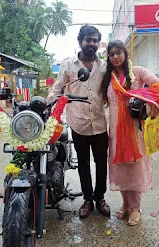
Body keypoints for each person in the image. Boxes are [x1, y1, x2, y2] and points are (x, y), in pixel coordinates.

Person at [101, 40, 159, 226]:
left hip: (135, 132)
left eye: (119, 52)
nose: (116, 57)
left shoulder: (138, 72)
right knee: (120, 170)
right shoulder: (107, 78)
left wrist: (150, 101)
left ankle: (136, 208)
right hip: (116, 134)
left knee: (134, 170)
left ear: (126, 54)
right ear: (108, 57)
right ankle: (126, 204)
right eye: (112, 54)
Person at [47, 25, 110, 218]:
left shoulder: (104, 66)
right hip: (79, 123)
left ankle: (100, 198)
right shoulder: (68, 65)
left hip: (100, 123)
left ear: (98, 43)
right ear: (80, 41)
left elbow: (113, 90)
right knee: (83, 164)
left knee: (101, 163)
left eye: (95, 40)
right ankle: (88, 200)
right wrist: (45, 105)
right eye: (88, 40)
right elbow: (57, 89)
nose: (91, 43)